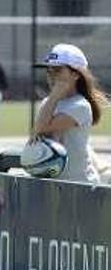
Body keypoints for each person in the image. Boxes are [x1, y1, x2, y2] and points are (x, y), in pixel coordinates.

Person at [33, 44, 108, 183]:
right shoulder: (48, 103)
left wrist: (54, 95)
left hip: (80, 184)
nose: (51, 75)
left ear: (75, 74)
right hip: (55, 182)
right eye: (48, 71)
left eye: (57, 70)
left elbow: (42, 127)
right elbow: (37, 136)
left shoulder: (79, 105)